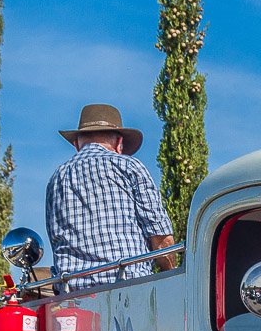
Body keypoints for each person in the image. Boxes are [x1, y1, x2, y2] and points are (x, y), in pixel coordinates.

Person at [46, 103, 176, 292]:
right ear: (119, 143)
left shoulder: (57, 178)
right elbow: (160, 237)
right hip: (128, 287)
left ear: (76, 144)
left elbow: (55, 239)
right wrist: (170, 274)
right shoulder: (129, 166)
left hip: (71, 296)